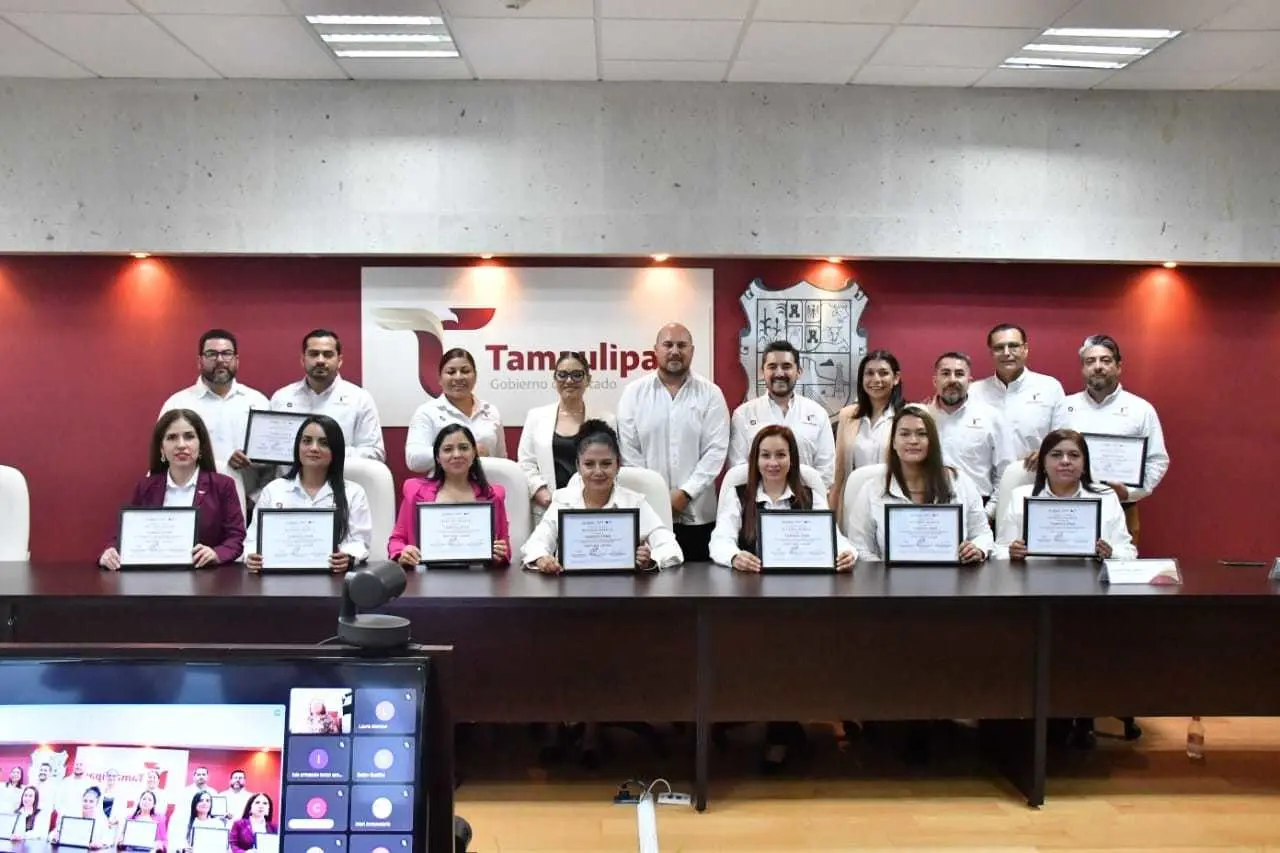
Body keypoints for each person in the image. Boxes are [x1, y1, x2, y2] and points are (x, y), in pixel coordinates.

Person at [617, 323, 729, 562]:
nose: (675, 351)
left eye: (682, 345)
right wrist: (656, 496)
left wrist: (685, 494)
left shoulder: (711, 394)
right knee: (648, 592)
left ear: (692, 350)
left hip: (698, 517)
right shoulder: (633, 393)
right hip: (648, 514)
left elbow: (715, 452)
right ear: (655, 350)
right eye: (668, 345)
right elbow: (629, 452)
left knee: (699, 591)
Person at [1050, 334, 1169, 545]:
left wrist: (1130, 493)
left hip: (1122, 507)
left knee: (1119, 572)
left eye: (1105, 360)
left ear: (1118, 366)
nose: (1098, 366)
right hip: (1068, 508)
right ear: (1083, 368)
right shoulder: (1064, 407)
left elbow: (1157, 460)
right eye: (1090, 361)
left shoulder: (1140, 409)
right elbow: (1052, 455)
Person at [522, 420, 683, 572]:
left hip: (624, 594)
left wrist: (651, 560)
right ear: (578, 466)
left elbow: (671, 548)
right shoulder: (563, 501)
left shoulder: (634, 503)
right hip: (572, 593)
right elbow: (535, 544)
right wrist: (542, 559)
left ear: (618, 465)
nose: (598, 472)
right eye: (589, 464)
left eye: (606, 463)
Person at [98, 409, 246, 570]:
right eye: (172, 437)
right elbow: (123, 536)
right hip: (154, 580)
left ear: (201, 445)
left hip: (206, 580)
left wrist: (216, 554)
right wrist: (109, 553)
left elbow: (236, 538)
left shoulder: (223, 486)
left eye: (189, 437)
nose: (181, 445)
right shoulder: (146, 487)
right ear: (161, 448)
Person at [848, 406, 993, 562]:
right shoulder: (872, 489)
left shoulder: (960, 482)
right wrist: (884, 573)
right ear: (894, 443)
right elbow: (860, 548)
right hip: (891, 582)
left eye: (922, 434)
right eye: (904, 434)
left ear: (932, 442)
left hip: (954, 580)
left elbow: (982, 534)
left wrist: (978, 549)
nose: (913, 441)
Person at [711, 425, 855, 572]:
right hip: (751, 585)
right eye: (765, 455)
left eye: (781, 455)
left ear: (791, 459)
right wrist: (735, 557)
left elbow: (835, 539)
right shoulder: (738, 496)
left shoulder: (811, 497)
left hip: (801, 583)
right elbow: (720, 540)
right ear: (756, 460)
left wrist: (847, 554)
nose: (773, 463)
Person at [244, 415, 372, 573]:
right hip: (280, 578)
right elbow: (252, 540)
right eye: (307, 441)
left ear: (336, 450)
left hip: (334, 578)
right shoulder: (274, 490)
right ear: (297, 446)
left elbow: (360, 542)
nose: (314, 448)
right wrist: (251, 556)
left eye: (324, 443)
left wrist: (349, 556)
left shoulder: (353, 493)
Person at [994, 429, 1136, 561]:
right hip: (1033, 581)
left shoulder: (1107, 497)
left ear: (1084, 464)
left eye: (1074, 455)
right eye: (1056, 455)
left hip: (1091, 581)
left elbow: (1128, 552)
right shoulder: (1020, 496)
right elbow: (999, 551)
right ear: (1043, 463)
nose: (1065, 461)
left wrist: (1111, 553)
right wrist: (1012, 553)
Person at [389, 424, 511, 569]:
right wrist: (403, 552)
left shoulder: (492, 495)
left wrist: (499, 554)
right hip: (424, 578)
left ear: (473, 454)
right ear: (437, 458)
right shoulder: (415, 492)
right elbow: (396, 540)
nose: (457, 455)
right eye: (448, 449)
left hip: (478, 579)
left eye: (464, 448)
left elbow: (505, 548)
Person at [157, 329, 270, 483]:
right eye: (211, 354)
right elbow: (162, 458)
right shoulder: (178, 404)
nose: (220, 359)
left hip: (248, 502)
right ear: (199, 361)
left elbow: (273, 465)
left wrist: (255, 498)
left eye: (226, 353)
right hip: (193, 501)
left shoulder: (258, 402)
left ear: (237, 360)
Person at [517, 352, 613, 521]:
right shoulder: (536, 417)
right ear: (555, 379)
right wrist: (541, 492)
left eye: (577, 375)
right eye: (562, 375)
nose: (569, 381)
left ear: (588, 380)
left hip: (593, 509)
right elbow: (526, 462)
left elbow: (613, 464)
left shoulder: (606, 419)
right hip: (548, 508)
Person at [728, 341, 836, 488]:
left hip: (806, 503)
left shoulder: (818, 414)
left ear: (799, 371)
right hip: (758, 504)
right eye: (772, 367)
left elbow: (826, 472)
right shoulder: (743, 414)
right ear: (762, 372)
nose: (779, 373)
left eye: (786, 366)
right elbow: (737, 469)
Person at [270, 329, 385, 461]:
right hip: (289, 480)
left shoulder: (360, 399)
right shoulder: (281, 398)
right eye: (313, 354)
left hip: (341, 479)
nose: (320, 360)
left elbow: (375, 453)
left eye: (328, 354)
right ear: (303, 360)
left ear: (340, 360)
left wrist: (329, 452)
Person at [925, 351, 1016, 502]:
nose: (952, 379)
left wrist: (990, 511)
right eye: (945, 373)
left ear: (969, 381)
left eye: (959, 374)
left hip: (980, 502)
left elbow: (1005, 471)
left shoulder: (991, 417)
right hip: (930, 505)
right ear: (935, 381)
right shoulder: (921, 417)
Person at [970, 323, 1065, 463]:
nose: (1007, 353)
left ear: (1025, 349)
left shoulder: (1050, 388)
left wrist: (1048, 451)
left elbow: (1064, 436)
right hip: (986, 482)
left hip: (1036, 479)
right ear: (991, 353)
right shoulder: (973, 392)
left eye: (1013, 346)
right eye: (999, 348)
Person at [406, 348, 505, 473]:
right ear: (440, 379)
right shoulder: (427, 412)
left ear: (475, 376)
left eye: (465, 371)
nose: (458, 377)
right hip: (443, 489)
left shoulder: (491, 411)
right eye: (451, 372)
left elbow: (502, 459)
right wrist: (463, 451)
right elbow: (414, 460)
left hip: (487, 487)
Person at [831, 350, 904, 517]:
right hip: (853, 503)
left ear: (896, 378)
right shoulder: (847, 416)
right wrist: (832, 512)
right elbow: (839, 471)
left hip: (894, 503)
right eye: (869, 373)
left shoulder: (909, 415)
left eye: (883, 373)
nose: (876, 379)